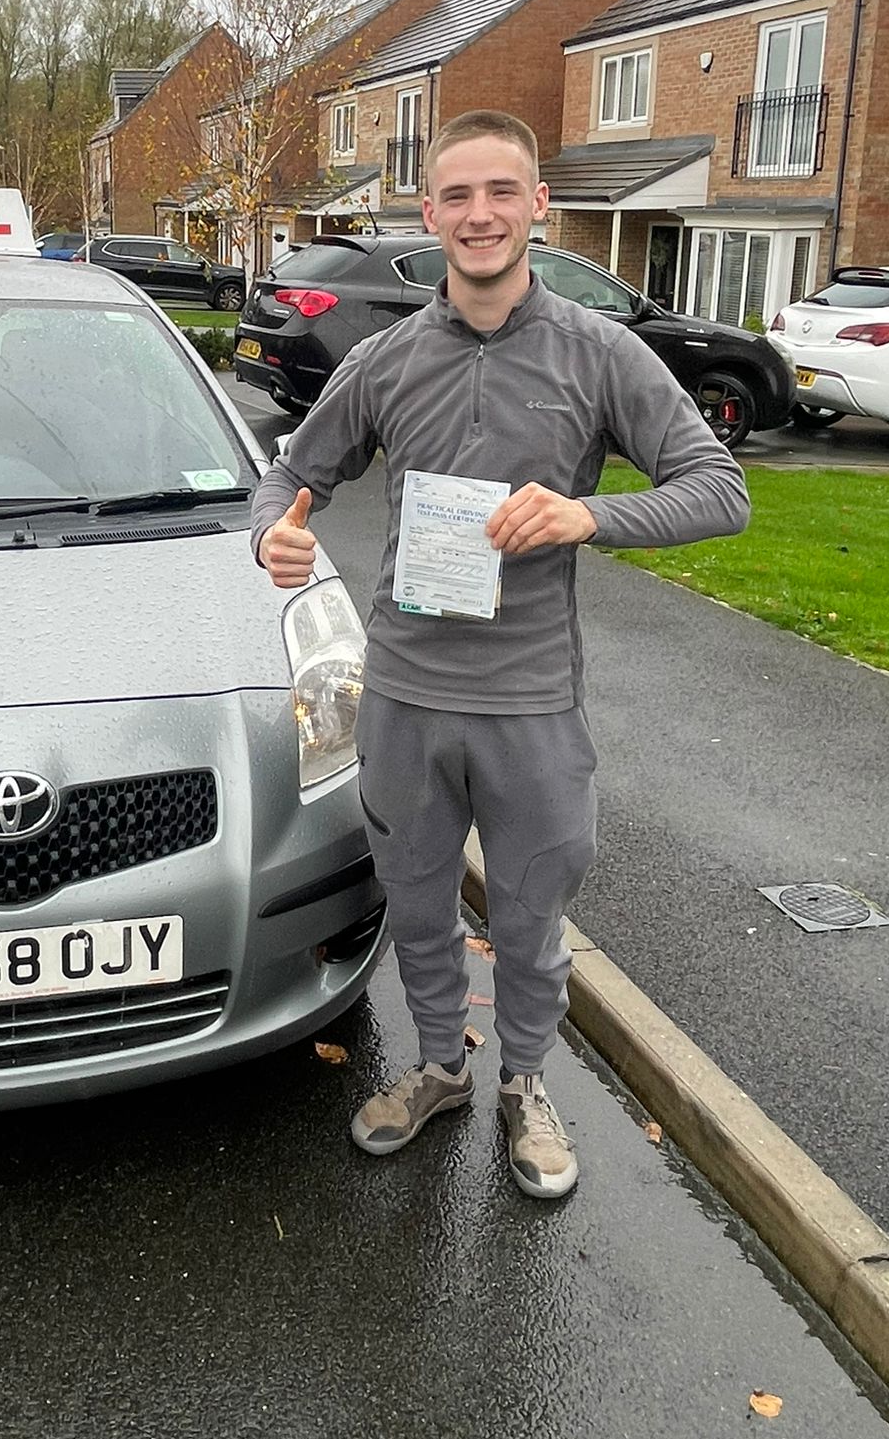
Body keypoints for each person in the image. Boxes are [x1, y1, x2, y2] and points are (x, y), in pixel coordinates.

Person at [252, 109, 749, 1200]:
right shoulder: (385, 360)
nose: (479, 214)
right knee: (418, 902)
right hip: (405, 700)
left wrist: (587, 518)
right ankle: (438, 1064)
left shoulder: (600, 351)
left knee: (529, 916)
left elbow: (722, 489)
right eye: (457, 195)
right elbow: (291, 473)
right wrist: (274, 530)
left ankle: (526, 1083)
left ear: (535, 208)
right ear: (429, 214)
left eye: (501, 193)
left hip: (530, 706)